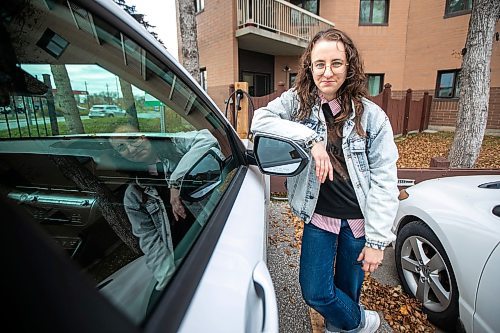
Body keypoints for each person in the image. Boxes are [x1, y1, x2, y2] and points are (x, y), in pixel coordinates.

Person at [251, 28, 399, 333]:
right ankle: (360, 321)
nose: (327, 72)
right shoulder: (297, 102)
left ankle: (341, 328)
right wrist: (311, 140)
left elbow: (385, 180)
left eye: (336, 63)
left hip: (358, 224)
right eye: (320, 64)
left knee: (347, 289)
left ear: (349, 67)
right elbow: (260, 120)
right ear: (310, 67)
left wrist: (376, 241)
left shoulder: (372, 117)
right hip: (319, 218)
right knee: (315, 291)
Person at [109, 125, 220, 290]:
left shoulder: (175, 147)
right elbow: (150, 241)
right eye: (121, 147)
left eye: (133, 138)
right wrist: (169, 279)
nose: (131, 148)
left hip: (215, 239)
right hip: (183, 258)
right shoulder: (133, 195)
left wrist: (176, 181)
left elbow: (207, 139)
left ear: (145, 134)